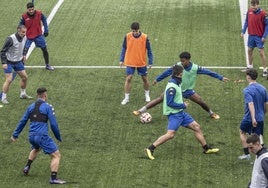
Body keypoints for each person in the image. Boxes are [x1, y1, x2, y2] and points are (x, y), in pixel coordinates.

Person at [144, 65, 219, 160]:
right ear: (179, 74)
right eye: (182, 74)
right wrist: (183, 105)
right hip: (174, 114)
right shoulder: (172, 87)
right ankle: (150, 148)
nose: (183, 76)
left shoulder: (177, 83)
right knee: (170, 134)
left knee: (197, 127)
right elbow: (170, 102)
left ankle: (206, 149)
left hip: (181, 113)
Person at [133, 51, 229, 119]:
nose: (182, 62)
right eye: (181, 60)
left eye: (183, 61)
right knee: (159, 99)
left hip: (187, 90)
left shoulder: (195, 68)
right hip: (175, 88)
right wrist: (157, 79)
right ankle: (140, 111)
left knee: (200, 101)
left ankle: (211, 113)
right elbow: (167, 72)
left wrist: (220, 77)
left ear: (188, 60)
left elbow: (209, 72)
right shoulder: (178, 66)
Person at [11, 87, 66, 184]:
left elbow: (22, 121)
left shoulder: (30, 107)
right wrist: (58, 137)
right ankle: (53, 178)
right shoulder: (48, 107)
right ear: (45, 95)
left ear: (37, 95)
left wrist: (15, 135)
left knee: (36, 148)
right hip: (42, 136)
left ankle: (27, 167)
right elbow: (53, 124)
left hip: (31, 136)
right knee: (56, 155)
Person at [119, 22, 153, 105]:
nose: (135, 32)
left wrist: (151, 61)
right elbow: (124, 48)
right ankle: (126, 98)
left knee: (144, 79)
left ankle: (147, 95)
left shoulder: (145, 37)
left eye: (136, 31)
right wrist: (121, 59)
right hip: (130, 61)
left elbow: (149, 50)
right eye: (133, 31)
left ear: (139, 29)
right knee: (129, 78)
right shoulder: (127, 36)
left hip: (141, 62)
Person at [238, 68, 268, 160]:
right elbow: (266, 103)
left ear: (248, 77)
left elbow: (251, 104)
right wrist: (264, 113)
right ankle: (260, 156)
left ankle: (247, 154)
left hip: (249, 117)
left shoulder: (247, 90)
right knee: (257, 137)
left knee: (242, 132)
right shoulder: (263, 88)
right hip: (260, 117)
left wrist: (253, 118)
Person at [0, 25, 32, 104]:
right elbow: (3, 51)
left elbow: (25, 47)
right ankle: (3, 97)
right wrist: (4, 63)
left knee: (24, 77)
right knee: (9, 79)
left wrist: (24, 55)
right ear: (18, 30)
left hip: (18, 61)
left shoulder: (24, 37)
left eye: (25, 32)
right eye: (23, 32)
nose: (24, 34)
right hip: (9, 62)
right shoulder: (11, 39)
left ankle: (23, 94)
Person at [19, 2, 54, 71]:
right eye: (30, 10)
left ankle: (47, 65)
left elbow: (44, 19)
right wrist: (21, 34)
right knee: (24, 52)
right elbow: (20, 26)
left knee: (44, 50)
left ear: (34, 8)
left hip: (38, 35)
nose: (31, 11)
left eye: (32, 9)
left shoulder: (39, 13)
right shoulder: (24, 17)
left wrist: (46, 29)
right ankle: (21, 66)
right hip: (28, 37)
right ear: (27, 9)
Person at [241, 0, 268, 77]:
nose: (253, 7)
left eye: (254, 6)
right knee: (249, 50)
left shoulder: (263, 14)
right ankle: (250, 67)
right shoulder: (249, 11)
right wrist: (243, 31)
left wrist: (264, 36)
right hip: (251, 35)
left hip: (259, 36)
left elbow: (267, 26)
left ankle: (265, 70)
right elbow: (246, 21)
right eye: (252, 5)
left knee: (261, 52)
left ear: (258, 5)